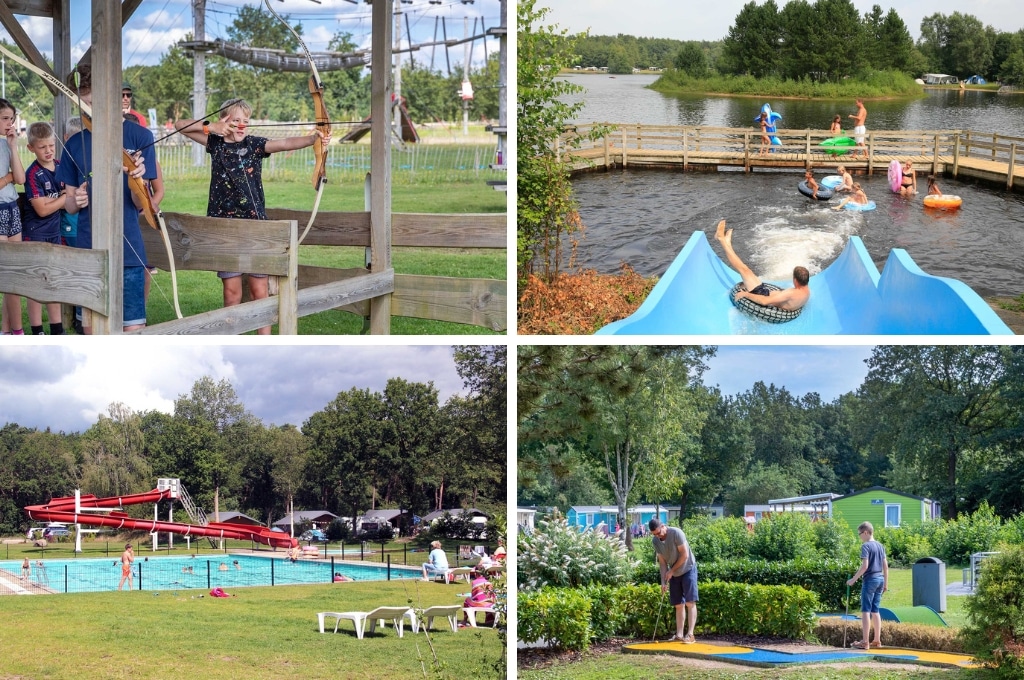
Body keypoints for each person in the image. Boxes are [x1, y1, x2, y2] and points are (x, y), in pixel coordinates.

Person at [173, 99, 330, 334]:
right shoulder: (214, 143)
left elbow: (285, 142)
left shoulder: (254, 144)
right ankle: (231, 335)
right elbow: (179, 125)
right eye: (235, 120)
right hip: (224, 230)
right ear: (224, 119)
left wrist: (312, 139)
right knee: (232, 293)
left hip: (255, 227)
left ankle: (264, 338)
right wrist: (210, 127)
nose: (241, 125)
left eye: (245, 121)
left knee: (260, 292)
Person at [56, 64, 154, 333]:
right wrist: (76, 197)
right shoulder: (74, 144)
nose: (89, 110)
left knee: (132, 330)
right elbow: (70, 207)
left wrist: (137, 181)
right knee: (91, 330)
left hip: (129, 250)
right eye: (84, 103)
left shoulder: (140, 136)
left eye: (94, 102)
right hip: (89, 250)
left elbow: (140, 205)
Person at [22, 122, 66, 336]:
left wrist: (53, 202)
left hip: (55, 232)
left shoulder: (60, 166)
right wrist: (63, 198)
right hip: (35, 233)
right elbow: (41, 210)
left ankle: (57, 329)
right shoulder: (32, 174)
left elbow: (57, 203)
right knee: (35, 286)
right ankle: (37, 330)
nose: (48, 151)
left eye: (51, 145)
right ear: (31, 148)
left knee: (53, 282)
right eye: (42, 147)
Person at [715, 220, 810, 313]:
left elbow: (765, 301)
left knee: (743, 269)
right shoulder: (806, 292)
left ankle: (721, 239)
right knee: (747, 270)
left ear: (795, 280)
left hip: (761, 295)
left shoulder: (792, 293)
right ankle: (727, 243)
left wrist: (746, 294)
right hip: (766, 292)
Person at [0, 97, 27, 335]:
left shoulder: (5, 144)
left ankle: (8, 330)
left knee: (14, 274)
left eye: (12, 118)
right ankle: (17, 331)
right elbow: (10, 179)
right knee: (5, 273)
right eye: (5, 118)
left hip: (12, 208)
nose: (10, 123)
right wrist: (6, 178)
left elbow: (20, 178)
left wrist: (12, 147)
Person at [649, 518, 698, 644]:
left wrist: (671, 571)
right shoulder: (656, 541)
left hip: (688, 568)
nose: (658, 536)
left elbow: (684, 555)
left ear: (663, 526)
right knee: (678, 604)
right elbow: (662, 562)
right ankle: (679, 635)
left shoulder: (677, 533)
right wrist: (663, 581)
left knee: (689, 602)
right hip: (674, 572)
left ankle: (690, 634)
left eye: (659, 533)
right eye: (654, 534)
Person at [847, 521, 888, 650]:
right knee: (875, 610)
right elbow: (885, 567)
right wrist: (885, 583)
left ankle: (865, 642)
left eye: (860, 534)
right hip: (880, 579)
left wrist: (853, 579)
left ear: (865, 532)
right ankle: (877, 640)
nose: (860, 537)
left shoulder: (866, 546)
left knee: (865, 610)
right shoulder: (880, 546)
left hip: (870, 580)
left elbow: (864, 566)